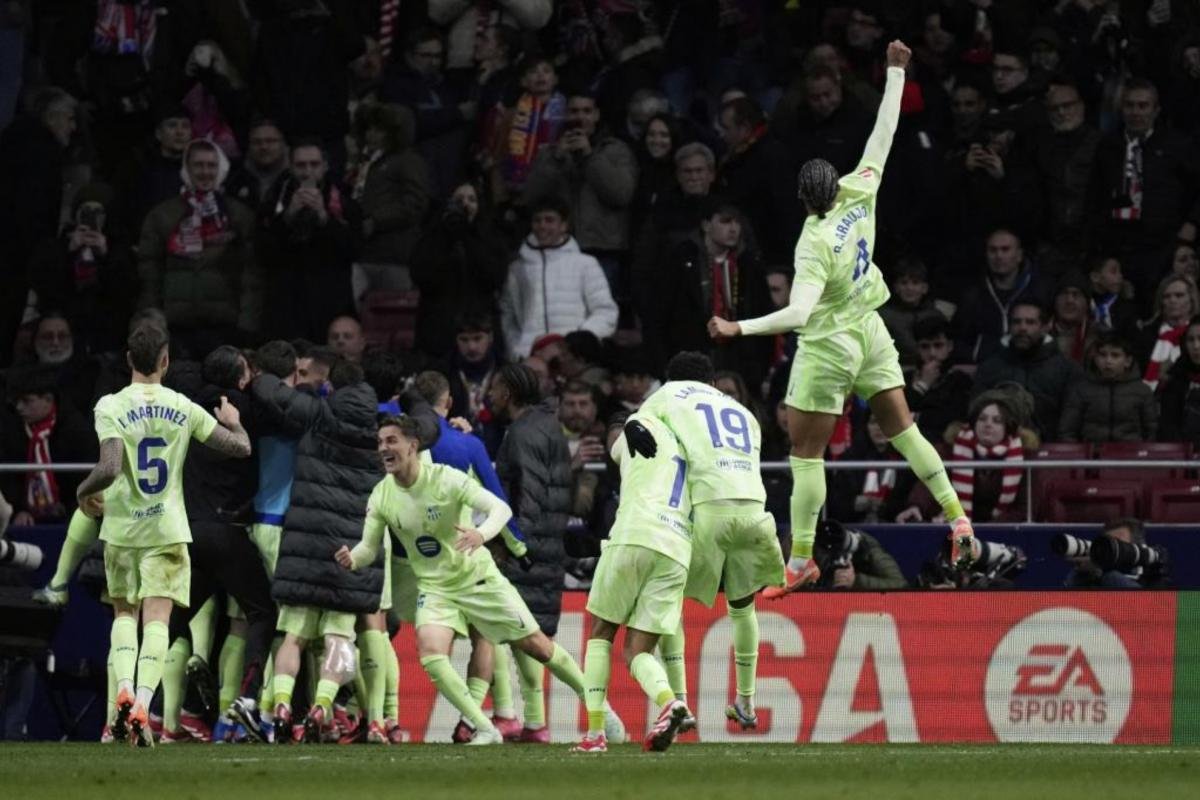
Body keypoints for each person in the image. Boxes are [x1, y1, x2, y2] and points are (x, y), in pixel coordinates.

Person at [708, 40, 975, 593]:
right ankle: (957, 518)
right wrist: (896, 73)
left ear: (805, 199)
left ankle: (802, 558)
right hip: (870, 329)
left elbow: (799, 312)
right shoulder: (860, 190)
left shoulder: (812, 244)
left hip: (829, 345)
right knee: (905, 432)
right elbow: (884, 131)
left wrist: (738, 327)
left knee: (806, 455)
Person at [334, 415, 619, 745]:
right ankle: (484, 727)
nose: (383, 448)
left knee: (538, 646)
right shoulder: (381, 495)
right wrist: (353, 558)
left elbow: (500, 510)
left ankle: (600, 707)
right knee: (431, 653)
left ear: (412, 446)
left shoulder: (447, 479)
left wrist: (481, 535)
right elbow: (369, 547)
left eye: (391, 441)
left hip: (477, 578)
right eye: (380, 442)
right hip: (435, 587)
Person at [74, 323, 251, 746]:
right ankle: (142, 704)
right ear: (166, 361)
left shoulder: (110, 405)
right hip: (166, 530)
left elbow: (109, 467)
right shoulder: (182, 406)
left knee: (123, 615)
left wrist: (83, 491)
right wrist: (235, 423)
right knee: (158, 621)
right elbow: (240, 448)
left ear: (129, 359)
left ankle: (123, 691)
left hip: (122, 530)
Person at [624, 352, 783, 731]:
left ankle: (679, 701)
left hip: (708, 509)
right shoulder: (742, 411)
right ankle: (746, 702)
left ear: (671, 380)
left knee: (670, 600)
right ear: (712, 383)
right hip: (755, 510)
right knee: (742, 607)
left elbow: (637, 422)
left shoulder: (670, 395)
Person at [575, 412, 693, 754]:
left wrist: (625, 425)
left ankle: (595, 734)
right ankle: (671, 701)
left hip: (634, 534)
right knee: (637, 651)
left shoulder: (635, 432)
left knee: (601, 634)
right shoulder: (689, 445)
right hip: (677, 547)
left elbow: (618, 441)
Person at [486, 364, 573, 741]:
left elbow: (531, 496)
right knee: (525, 631)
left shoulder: (523, 433)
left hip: (528, 546)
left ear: (507, 392)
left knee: (498, 627)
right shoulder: (547, 426)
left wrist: (514, 545)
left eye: (494, 388)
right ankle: (534, 722)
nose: (489, 395)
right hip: (547, 540)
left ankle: (509, 714)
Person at [136, 139, 261, 358]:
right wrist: (151, 321)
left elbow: (252, 273)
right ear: (187, 169)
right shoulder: (162, 215)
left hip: (225, 326)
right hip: (175, 326)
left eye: (211, 165)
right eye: (198, 165)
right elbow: (149, 272)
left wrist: (247, 324)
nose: (205, 172)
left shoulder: (238, 215)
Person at [258, 138, 360, 342]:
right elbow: (262, 251)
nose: (307, 172)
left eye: (314, 164)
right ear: (290, 167)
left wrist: (324, 218)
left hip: (330, 301)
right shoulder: (273, 200)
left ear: (325, 166)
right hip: (286, 304)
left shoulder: (343, 200)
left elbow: (354, 249)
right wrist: (287, 217)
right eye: (301, 165)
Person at [499, 196, 618, 361]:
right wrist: (518, 349)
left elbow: (605, 311)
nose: (542, 226)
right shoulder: (517, 268)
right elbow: (508, 315)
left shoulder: (585, 264)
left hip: (574, 360)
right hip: (531, 359)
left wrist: (576, 344)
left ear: (563, 225)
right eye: (537, 220)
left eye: (549, 220)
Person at [409, 182, 510, 359]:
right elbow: (422, 276)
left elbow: (494, 277)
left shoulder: (492, 239)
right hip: (438, 331)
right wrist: (447, 236)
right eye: (458, 200)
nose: (465, 205)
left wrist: (467, 235)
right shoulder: (431, 238)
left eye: (472, 199)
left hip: (479, 330)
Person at [972, 301, 1084, 440]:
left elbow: (1071, 423)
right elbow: (976, 412)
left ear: (1045, 327)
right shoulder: (990, 367)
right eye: (1016, 322)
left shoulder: (1067, 370)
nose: (1022, 328)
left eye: (1030, 322)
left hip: (1049, 448)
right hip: (997, 447)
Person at [0, 366, 96, 526]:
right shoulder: (11, 428)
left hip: (72, 514)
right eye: (17, 401)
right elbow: (8, 479)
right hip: (23, 518)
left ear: (48, 400)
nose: (19, 407)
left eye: (26, 401)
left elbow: (87, 479)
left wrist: (70, 508)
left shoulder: (76, 430)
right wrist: (18, 510)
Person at [1059, 332, 1157, 443]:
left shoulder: (1142, 391)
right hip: (1092, 451)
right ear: (1095, 359)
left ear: (1128, 361)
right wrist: (1079, 452)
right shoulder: (1081, 390)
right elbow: (1067, 431)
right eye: (1102, 355)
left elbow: (1151, 431)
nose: (1108, 361)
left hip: (1130, 451)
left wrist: (1142, 451)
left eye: (1115, 355)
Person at [1157, 317, 1200, 446]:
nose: (1196, 346)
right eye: (1190, 340)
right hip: (1182, 453)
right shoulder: (1175, 378)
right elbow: (1168, 427)